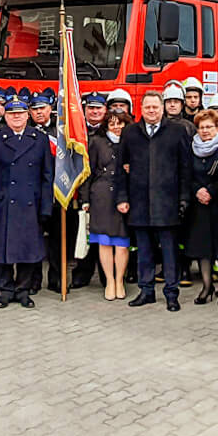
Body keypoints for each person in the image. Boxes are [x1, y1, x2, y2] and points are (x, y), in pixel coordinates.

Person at [124, 91, 192, 310]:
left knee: (170, 251)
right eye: (147, 107)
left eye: (155, 107)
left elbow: (185, 168)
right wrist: (122, 198)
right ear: (141, 109)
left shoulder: (177, 131)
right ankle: (147, 290)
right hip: (140, 202)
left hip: (168, 202)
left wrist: (183, 198)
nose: (151, 111)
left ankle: (172, 293)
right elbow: (121, 168)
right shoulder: (130, 132)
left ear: (162, 109)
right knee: (144, 250)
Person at [0, 94, 54, 308]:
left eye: (21, 114)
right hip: (4, 202)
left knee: (27, 249)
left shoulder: (39, 139)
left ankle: (23, 290)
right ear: (5, 116)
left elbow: (46, 176)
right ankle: (5, 290)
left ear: (27, 116)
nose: (16, 117)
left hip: (30, 204)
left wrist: (45, 207)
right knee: (2, 249)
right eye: (12, 113)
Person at [84, 111, 132, 299]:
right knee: (104, 242)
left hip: (125, 197)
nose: (117, 127)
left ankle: (120, 281)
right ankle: (109, 281)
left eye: (121, 123)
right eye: (112, 124)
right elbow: (89, 172)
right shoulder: (96, 142)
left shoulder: (132, 142)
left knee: (121, 243)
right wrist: (85, 199)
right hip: (101, 196)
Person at [184, 108, 218, 305]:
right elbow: (187, 174)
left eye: (210, 127)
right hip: (199, 205)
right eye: (201, 127)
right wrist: (197, 191)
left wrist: (211, 190)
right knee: (203, 249)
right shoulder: (191, 147)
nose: (205, 131)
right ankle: (206, 286)